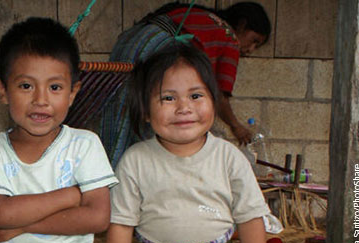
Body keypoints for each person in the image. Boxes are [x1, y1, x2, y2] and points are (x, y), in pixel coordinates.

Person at [0, 17, 118, 243]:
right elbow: (2, 215)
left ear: (73, 93)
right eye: (27, 86)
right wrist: (71, 196)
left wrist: (24, 226)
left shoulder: (84, 145)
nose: (41, 99)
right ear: (2, 90)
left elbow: (97, 218)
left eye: (55, 88)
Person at [106, 44, 270, 243]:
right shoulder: (135, 162)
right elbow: (121, 224)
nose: (184, 107)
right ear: (145, 110)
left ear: (214, 101)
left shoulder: (228, 157)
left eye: (195, 96)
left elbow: (250, 219)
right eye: (168, 98)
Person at [102, 2, 271, 167]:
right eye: (254, 40)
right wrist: (236, 126)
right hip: (154, 44)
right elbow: (220, 95)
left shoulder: (206, 20)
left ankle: (108, 173)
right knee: (136, 118)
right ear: (242, 25)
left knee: (119, 111)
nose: (250, 49)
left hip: (130, 40)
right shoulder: (229, 37)